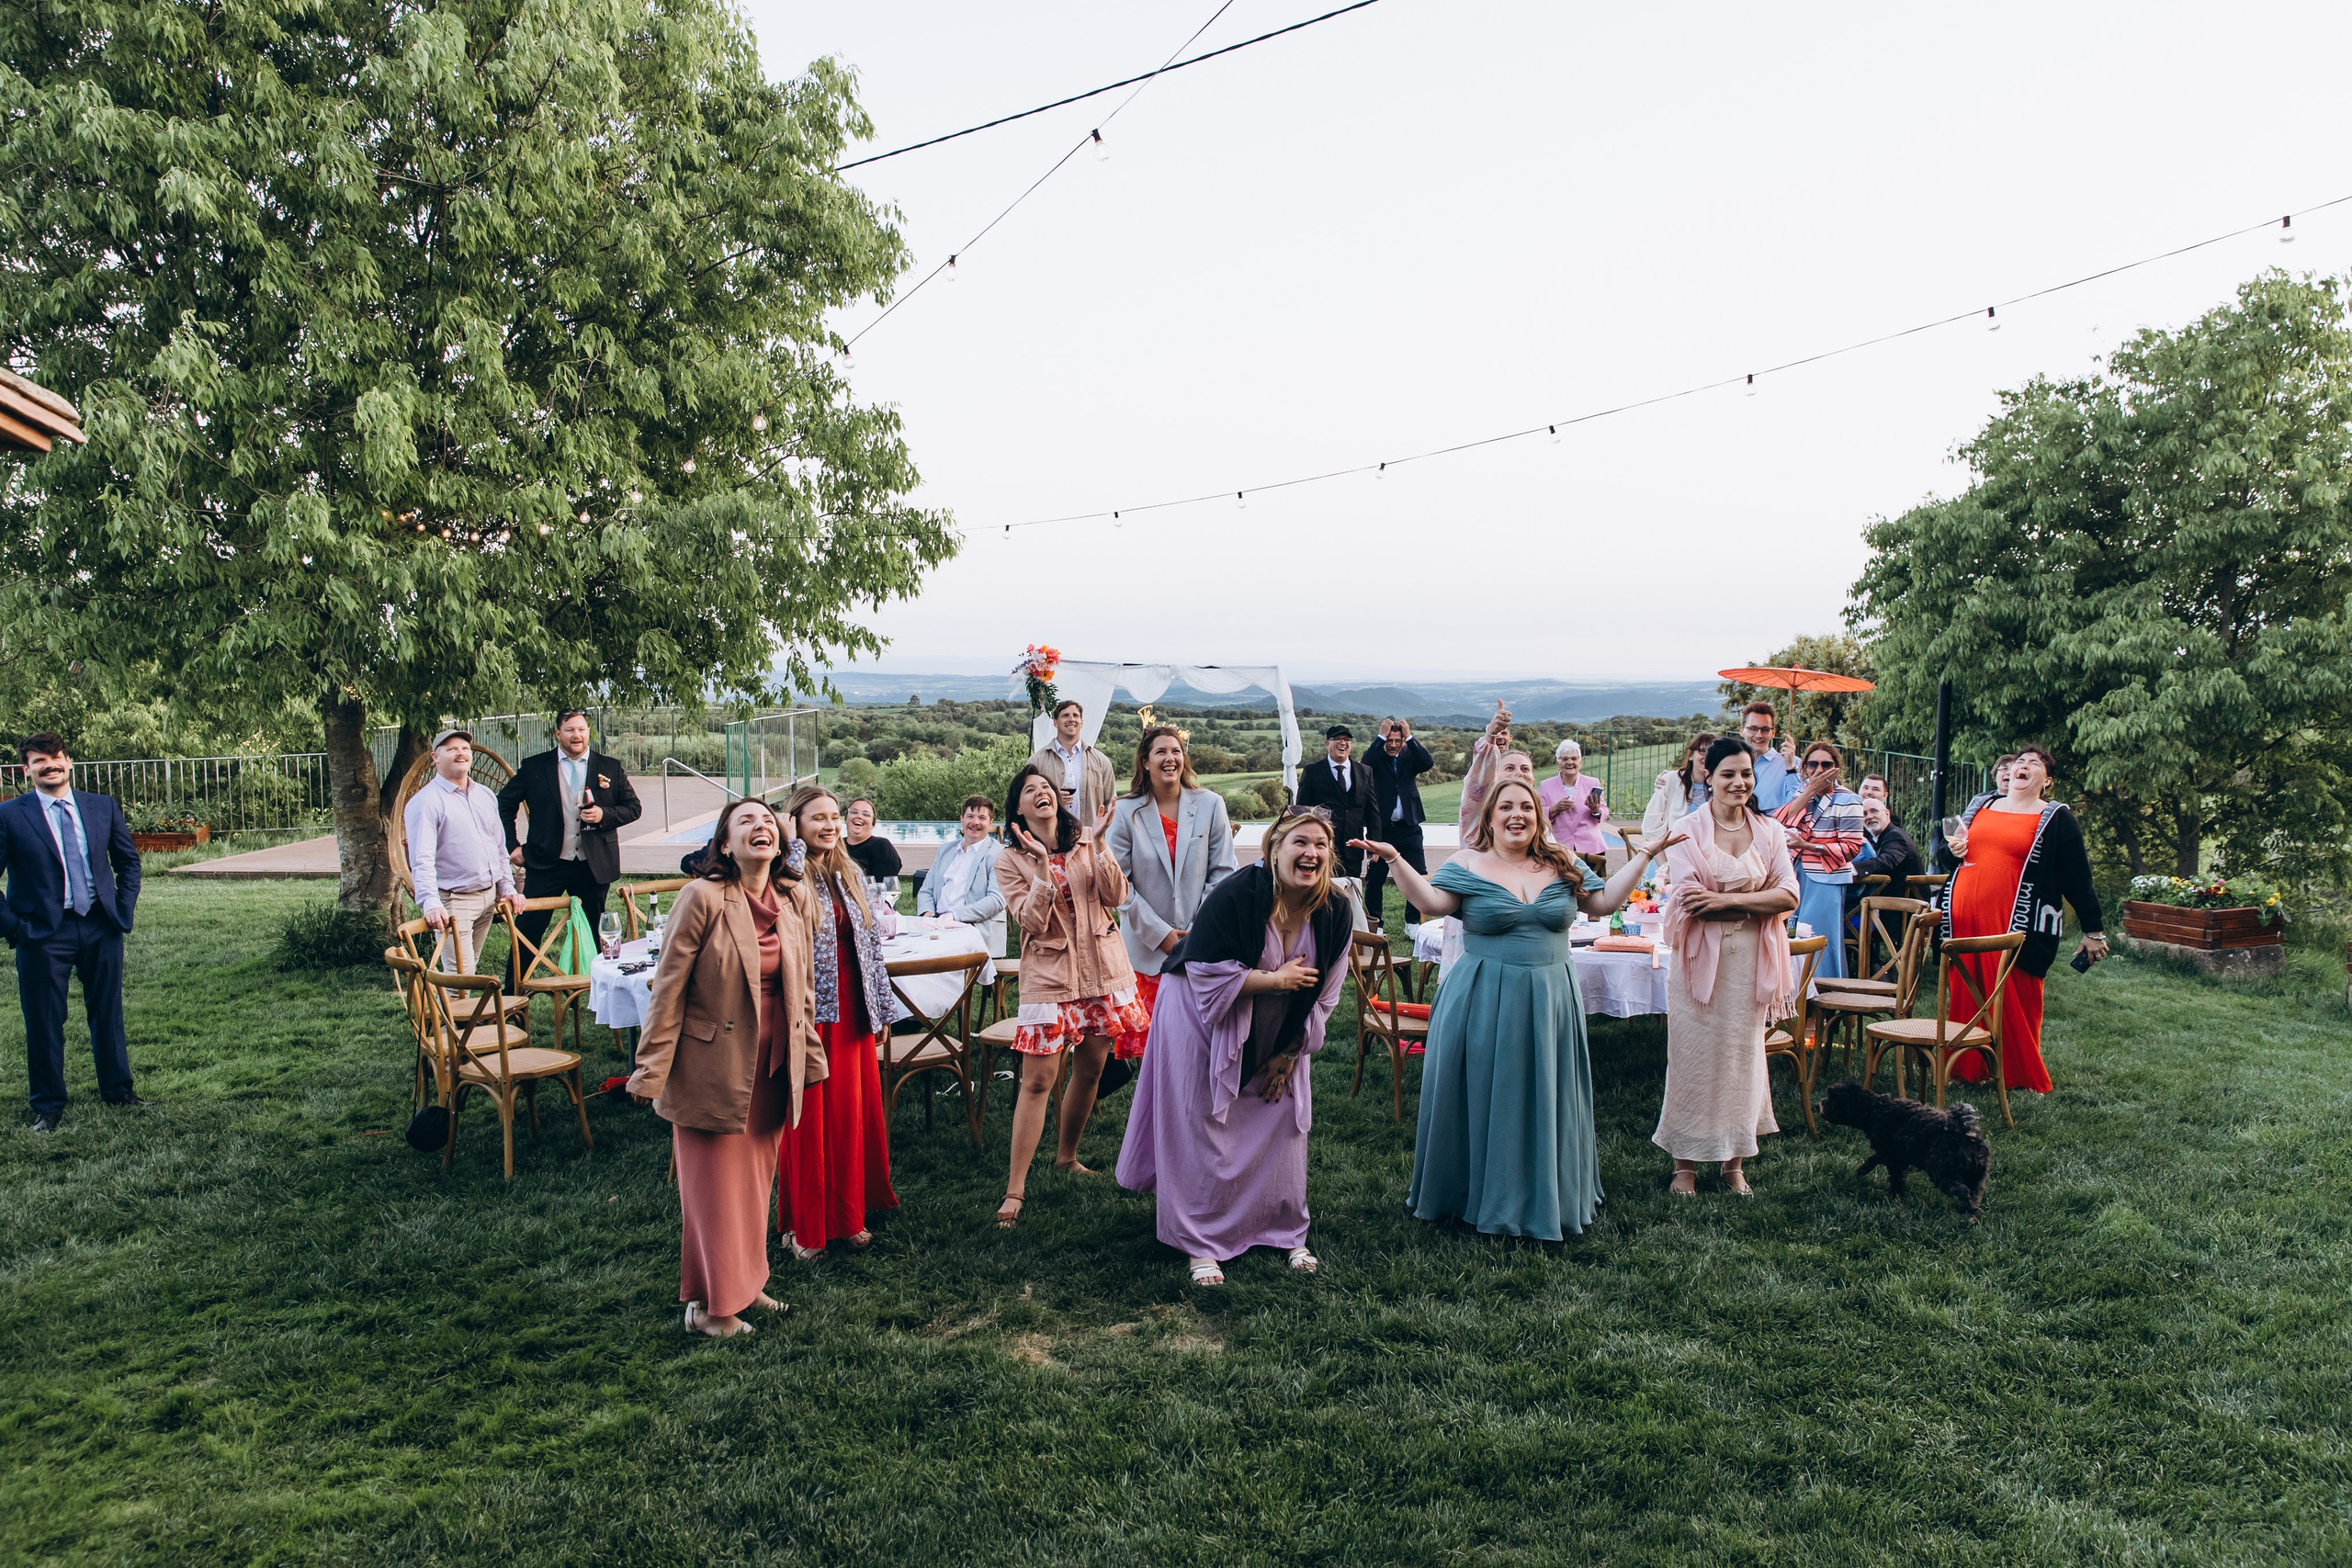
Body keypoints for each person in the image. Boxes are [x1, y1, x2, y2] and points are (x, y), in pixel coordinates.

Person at [1360, 779, 1678, 1240]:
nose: (1517, 815)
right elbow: (1430, 901)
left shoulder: (1561, 861)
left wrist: (1646, 854)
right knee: (1487, 1092)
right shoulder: (1468, 862)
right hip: (1483, 994)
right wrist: (1394, 859)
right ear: (1489, 816)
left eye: (1526, 807)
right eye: (1505, 806)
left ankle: (1544, 1195)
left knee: (1545, 1091)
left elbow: (1605, 900)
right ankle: (1472, 1194)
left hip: (1550, 995)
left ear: (1539, 816)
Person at [1115, 806, 1351, 1285]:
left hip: (1281, 1022)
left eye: (1320, 845)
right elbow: (1202, 973)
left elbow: (1328, 987)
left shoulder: (1335, 909)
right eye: (1299, 843)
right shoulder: (1238, 894)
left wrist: (1290, 1051)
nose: (1310, 853)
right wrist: (1274, 979)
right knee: (1203, 1126)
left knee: (1280, 1120)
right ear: (1275, 849)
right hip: (1201, 1017)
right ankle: (1199, 1241)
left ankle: (1284, 1229)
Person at [626, 799, 820, 1338]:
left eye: (768, 822)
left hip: (773, 1064)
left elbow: (801, 988)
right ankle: (711, 1310)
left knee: (756, 1185)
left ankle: (746, 1283)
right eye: (745, 823)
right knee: (714, 1192)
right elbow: (668, 991)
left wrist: (812, 1062)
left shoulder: (791, 897)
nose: (761, 827)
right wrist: (649, 1070)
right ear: (725, 845)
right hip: (711, 1065)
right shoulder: (701, 896)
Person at [992, 763, 1148, 1224]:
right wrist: (1041, 864)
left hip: (1103, 971)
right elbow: (1032, 922)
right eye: (1030, 790)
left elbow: (1116, 896)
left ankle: (1067, 1156)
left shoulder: (1086, 841)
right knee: (1037, 1080)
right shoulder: (1009, 860)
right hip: (1051, 978)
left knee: (1091, 1070)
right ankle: (1015, 1189)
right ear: (1018, 808)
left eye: (1046, 788)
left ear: (1057, 800)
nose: (1041, 793)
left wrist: (1099, 842)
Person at [1655, 737, 1802, 1196]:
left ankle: (1734, 1161)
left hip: (1752, 966)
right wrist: (1754, 902)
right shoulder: (1686, 829)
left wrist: (1725, 899)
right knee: (1693, 1059)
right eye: (1728, 774)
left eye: (1746, 774)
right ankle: (1686, 1165)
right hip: (1699, 964)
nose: (1739, 782)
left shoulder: (1770, 832)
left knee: (1742, 1059)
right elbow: (1691, 902)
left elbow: (1790, 895)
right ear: (1709, 776)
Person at [773, 784, 900, 1258]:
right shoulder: (786, 875)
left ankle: (849, 1215)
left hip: (854, 1007)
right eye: (817, 818)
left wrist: (882, 1008)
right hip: (810, 1009)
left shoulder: (848, 872)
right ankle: (805, 1222)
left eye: (833, 817)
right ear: (797, 825)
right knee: (810, 1117)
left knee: (851, 1114)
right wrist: (791, 842)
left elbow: (871, 947)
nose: (830, 825)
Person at [1940, 744, 2106, 1097]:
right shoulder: (1979, 806)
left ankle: (2020, 1074)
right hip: (1965, 920)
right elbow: (1946, 856)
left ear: (2047, 780)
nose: (2024, 766)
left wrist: (2094, 930)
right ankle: (1966, 1067)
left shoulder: (2056, 816)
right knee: (1966, 993)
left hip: (2017, 923)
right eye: (2019, 761)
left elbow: (2077, 877)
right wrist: (1950, 851)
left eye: (2034, 763)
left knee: (2017, 995)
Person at [0, 732, 143, 1131]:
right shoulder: (10, 815)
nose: (50, 765)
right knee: (45, 1020)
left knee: (107, 1011)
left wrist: (122, 910)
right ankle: (47, 1107)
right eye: (39, 760)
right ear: (26, 770)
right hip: (43, 933)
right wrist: (16, 929)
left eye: (56, 757)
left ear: (69, 761)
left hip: (100, 925)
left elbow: (128, 863)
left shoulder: (101, 807)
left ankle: (118, 1091)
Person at [1103, 727, 1237, 1060]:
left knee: (1196, 1051)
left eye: (1176, 751)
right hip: (1146, 953)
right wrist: (1161, 934)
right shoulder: (1125, 811)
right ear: (1145, 762)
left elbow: (1223, 873)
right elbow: (1119, 886)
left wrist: (1200, 929)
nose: (1170, 758)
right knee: (1151, 1058)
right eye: (1161, 752)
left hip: (1203, 947)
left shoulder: (1210, 805)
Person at [497, 709, 642, 953]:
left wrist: (603, 815)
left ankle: (602, 988)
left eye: (581, 730)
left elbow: (633, 808)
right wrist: (511, 845)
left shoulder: (610, 766)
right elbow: (503, 804)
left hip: (592, 864)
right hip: (546, 863)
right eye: (570, 730)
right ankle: (515, 989)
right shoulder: (535, 766)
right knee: (527, 932)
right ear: (558, 733)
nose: (577, 736)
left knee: (600, 934)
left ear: (588, 732)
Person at [403, 728, 520, 977]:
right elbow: (421, 859)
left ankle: (440, 1015)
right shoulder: (425, 802)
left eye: (465, 749)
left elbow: (499, 847)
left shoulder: (486, 795)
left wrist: (506, 887)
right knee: (462, 978)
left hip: (488, 898)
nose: (461, 753)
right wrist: (430, 902)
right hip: (455, 901)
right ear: (435, 757)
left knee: (466, 971)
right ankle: (446, 1016)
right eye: (452, 749)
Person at [1439, 703, 1540, 976]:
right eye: (1508, 768)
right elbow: (1478, 782)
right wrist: (1490, 736)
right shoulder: (1478, 815)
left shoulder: (1537, 821)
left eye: (1525, 768)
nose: (1518, 773)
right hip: (1480, 924)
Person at [1773, 740, 1866, 979]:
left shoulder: (1849, 800)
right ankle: (1795, 994)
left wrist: (1809, 846)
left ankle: (1825, 992)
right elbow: (1777, 823)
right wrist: (1809, 792)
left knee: (1820, 937)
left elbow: (1852, 847)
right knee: (1792, 935)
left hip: (1827, 877)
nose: (1819, 769)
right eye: (1813, 764)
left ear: (1836, 769)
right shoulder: (1801, 794)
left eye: (1827, 764)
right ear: (1803, 768)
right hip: (1795, 876)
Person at [1362, 716, 1434, 931]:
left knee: (1417, 874)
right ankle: (1376, 923)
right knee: (1375, 878)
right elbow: (1363, 763)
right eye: (1389, 741)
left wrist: (1409, 736)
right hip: (1381, 828)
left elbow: (1427, 762)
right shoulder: (1376, 759)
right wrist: (1380, 737)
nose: (1393, 745)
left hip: (1409, 826)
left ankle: (1412, 922)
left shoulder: (1410, 756)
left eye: (1398, 741)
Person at [912, 795, 1005, 958]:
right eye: (970, 816)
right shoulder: (945, 850)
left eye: (982, 818)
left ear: (990, 823)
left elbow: (996, 900)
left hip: (972, 927)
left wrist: (955, 916)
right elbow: (926, 890)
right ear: (962, 820)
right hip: (936, 925)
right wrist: (928, 914)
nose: (975, 822)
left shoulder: (999, 854)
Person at [1295, 725, 1381, 885]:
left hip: (1353, 846)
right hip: (1322, 846)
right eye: (1338, 739)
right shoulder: (1312, 771)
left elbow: (1372, 810)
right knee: (1321, 890)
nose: (1343, 743)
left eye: (1347, 739)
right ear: (1328, 743)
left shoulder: (1365, 771)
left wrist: (1373, 843)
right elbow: (1302, 811)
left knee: (1350, 892)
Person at [1027, 698, 1117, 824]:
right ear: (1055, 722)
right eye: (1065, 716)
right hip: (1051, 838)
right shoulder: (1037, 761)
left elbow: (1110, 805)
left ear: (1081, 723)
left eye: (1075, 715)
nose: (1071, 719)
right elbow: (1027, 802)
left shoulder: (1101, 762)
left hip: (1088, 838)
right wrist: (1054, 799)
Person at [1539, 739, 1610, 874]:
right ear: (1557, 764)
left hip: (1592, 846)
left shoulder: (1592, 782)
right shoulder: (1545, 785)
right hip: (1559, 847)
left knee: (1594, 889)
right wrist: (1554, 809)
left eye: (1574, 759)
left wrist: (1596, 810)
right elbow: (1538, 814)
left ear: (1580, 763)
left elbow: (1605, 811)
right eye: (1564, 759)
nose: (1569, 762)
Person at [1848, 793, 1924, 907]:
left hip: (1905, 910)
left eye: (1874, 811)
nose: (1869, 816)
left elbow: (1887, 860)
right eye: (1864, 814)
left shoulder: (1895, 836)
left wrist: (1853, 869)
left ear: (1887, 814)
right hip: (1889, 904)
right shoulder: (1877, 839)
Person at [1643, 732, 1716, 844]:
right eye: (1702, 751)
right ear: (1691, 755)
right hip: (1669, 853)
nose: (1706, 756)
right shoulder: (1670, 780)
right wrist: (1664, 858)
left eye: (1711, 752)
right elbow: (1650, 827)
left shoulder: (1720, 786)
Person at [1737, 702, 1801, 812]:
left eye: (1765, 729)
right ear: (1742, 731)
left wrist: (1790, 767)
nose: (1759, 735)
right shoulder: (1732, 764)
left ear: (1773, 732)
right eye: (1753, 728)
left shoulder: (1793, 764)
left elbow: (1799, 803)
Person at [842, 796, 903, 884]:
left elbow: (882, 887)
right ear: (846, 819)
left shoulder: (881, 847)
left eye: (866, 814)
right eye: (854, 812)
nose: (859, 816)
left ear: (873, 824)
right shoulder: (835, 846)